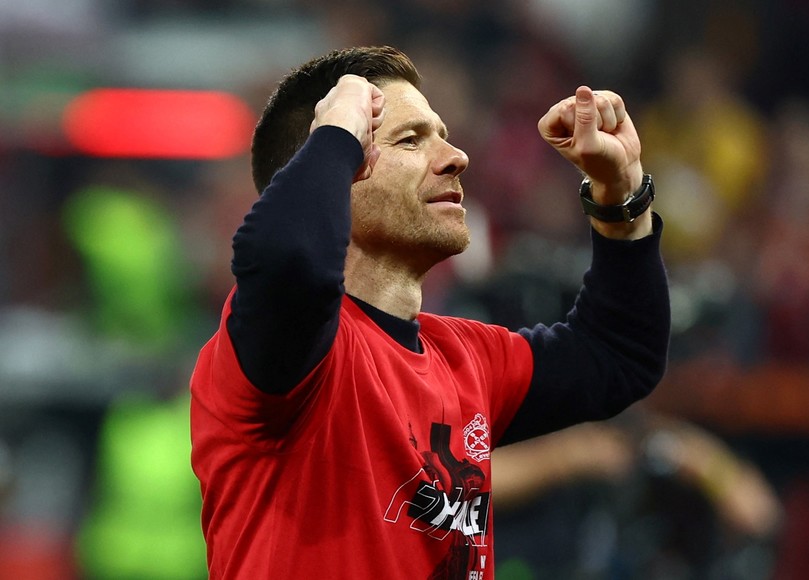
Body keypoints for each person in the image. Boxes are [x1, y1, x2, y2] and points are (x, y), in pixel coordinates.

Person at [189, 45, 670, 579]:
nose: (456, 156)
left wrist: (620, 191)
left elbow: (619, 352)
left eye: (442, 134)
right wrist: (339, 127)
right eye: (411, 139)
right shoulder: (286, 355)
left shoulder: (468, 359)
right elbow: (290, 258)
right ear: (337, 170)